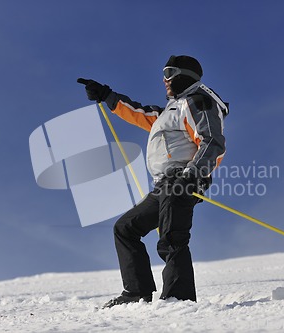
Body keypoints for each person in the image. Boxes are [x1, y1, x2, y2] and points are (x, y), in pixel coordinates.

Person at [77, 55, 229, 308]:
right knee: (125, 228)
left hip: (183, 178)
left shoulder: (197, 101)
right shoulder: (170, 110)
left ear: (186, 75)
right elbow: (139, 113)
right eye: (163, 73)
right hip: (165, 185)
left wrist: (193, 173)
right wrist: (106, 95)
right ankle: (136, 292)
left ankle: (178, 298)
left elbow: (212, 141)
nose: (165, 79)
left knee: (172, 236)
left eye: (170, 72)